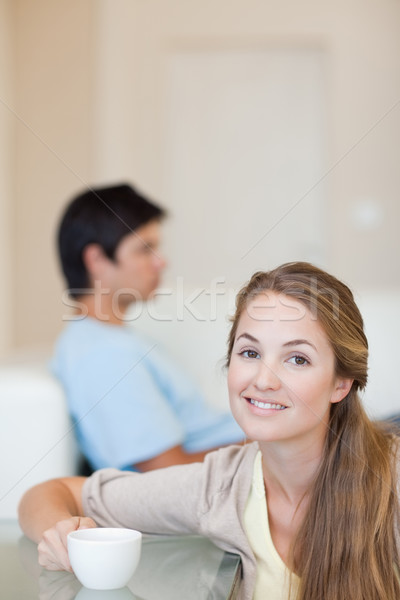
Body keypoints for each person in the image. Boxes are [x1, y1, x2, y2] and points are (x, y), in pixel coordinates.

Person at [19, 262, 400, 600]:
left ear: (341, 384)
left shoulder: (391, 482)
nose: (263, 380)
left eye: (297, 359)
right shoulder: (218, 486)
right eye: (249, 353)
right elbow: (49, 493)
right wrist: (64, 536)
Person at [52, 183, 244, 472]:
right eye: (145, 249)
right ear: (96, 260)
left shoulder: (114, 341)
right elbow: (167, 471)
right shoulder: (104, 355)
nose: (160, 262)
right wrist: (274, 448)